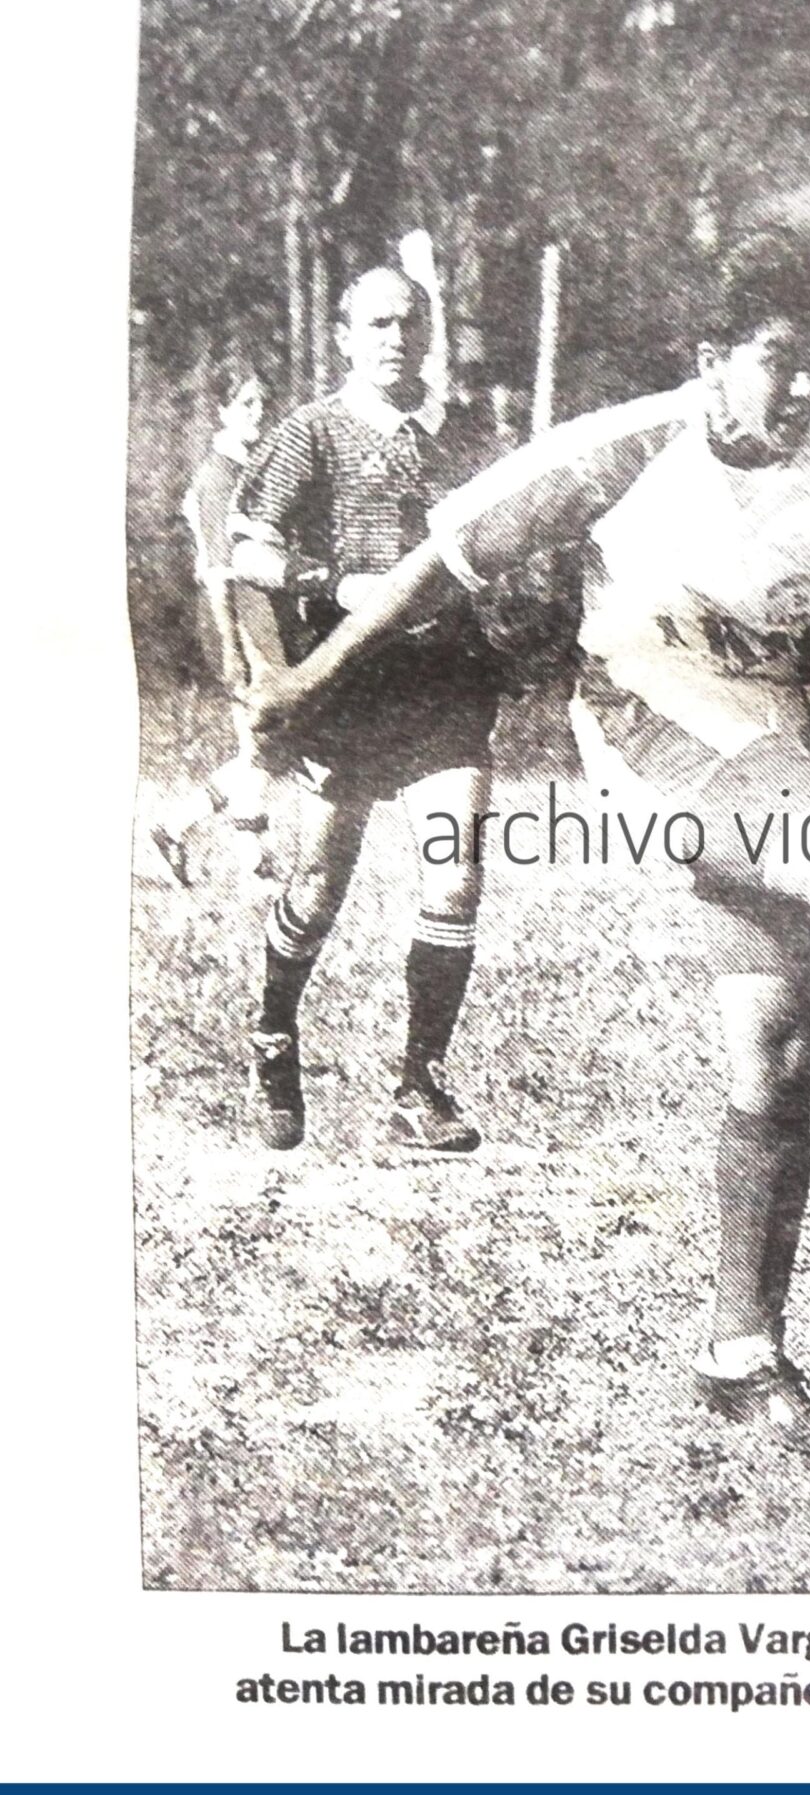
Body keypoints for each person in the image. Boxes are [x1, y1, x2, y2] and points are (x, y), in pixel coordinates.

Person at [249, 229, 810, 1459]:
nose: (800, 390)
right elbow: (443, 564)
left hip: (769, 756)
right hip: (640, 721)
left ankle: (740, 1351)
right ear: (711, 359)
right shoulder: (632, 444)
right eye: (775, 361)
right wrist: (311, 673)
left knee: (776, 1053)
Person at [229, 268, 506, 1155]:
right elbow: (249, 555)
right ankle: (273, 1036)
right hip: (345, 688)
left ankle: (417, 1086)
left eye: (410, 321)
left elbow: (504, 536)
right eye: (377, 323)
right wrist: (334, 581)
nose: (396, 337)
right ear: (345, 336)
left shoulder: (461, 435)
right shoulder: (312, 432)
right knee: (317, 891)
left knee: (454, 874)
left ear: (430, 334)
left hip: (443, 689)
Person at [149, 360, 275, 886]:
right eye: (246, 403)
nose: (258, 412)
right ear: (222, 411)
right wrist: (230, 645)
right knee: (271, 737)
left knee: (261, 740)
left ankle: (252, 863)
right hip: (231, 612)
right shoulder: (217, 476)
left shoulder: (248, 467)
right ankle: (176, 825)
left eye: (262, 402)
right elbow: (219, 568)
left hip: (256, 610)